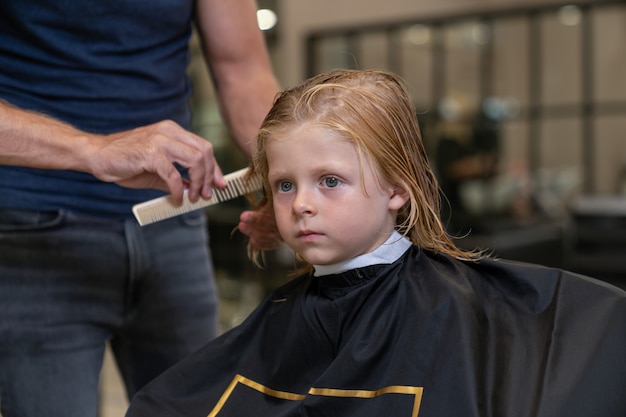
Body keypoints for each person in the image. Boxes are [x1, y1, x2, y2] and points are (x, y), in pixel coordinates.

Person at [125, 68, 626, 417]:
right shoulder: (284, 312)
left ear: (397, 189)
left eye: (330, 181)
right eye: (284, 185)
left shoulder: (453, 308)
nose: (301, 204)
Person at [0, 1, 280, 416]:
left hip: (175, 221)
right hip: (32, 225)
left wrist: (287, 178)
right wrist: (91, 148)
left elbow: (243, 71)